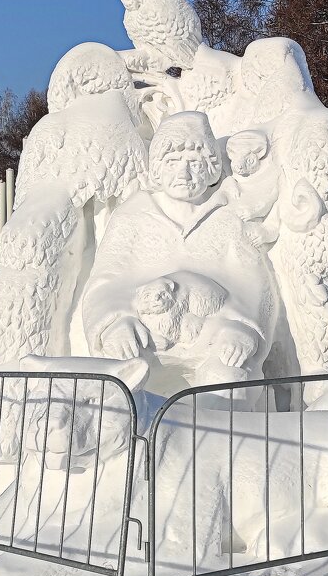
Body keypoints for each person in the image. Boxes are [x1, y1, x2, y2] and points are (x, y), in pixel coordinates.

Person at [80, 112, 282, 403]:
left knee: (227, 380)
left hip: (213, 340)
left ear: (211, 168)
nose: (184, 174)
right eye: (173, 162)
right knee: (122, 379)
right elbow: (107, 281)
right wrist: (114, 323)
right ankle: (135, 447)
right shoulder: (134, 215)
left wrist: (243, 328)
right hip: (146, 342)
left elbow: (255, 285)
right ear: (158, 168)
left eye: (195, 163)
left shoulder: (228, 219)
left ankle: (220, 449)